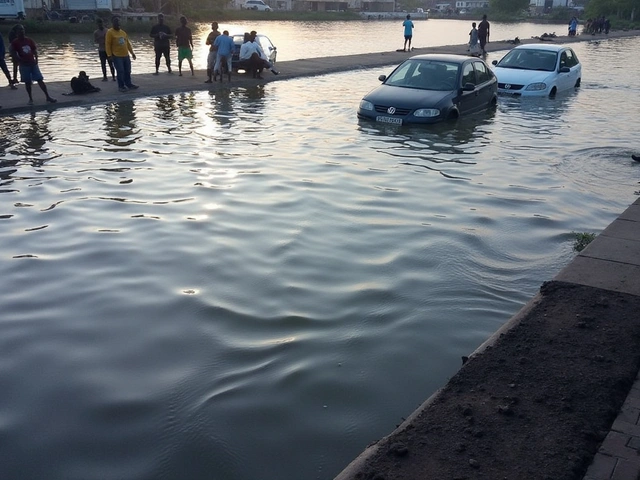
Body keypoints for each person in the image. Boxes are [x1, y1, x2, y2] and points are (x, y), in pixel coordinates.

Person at [10, 25, 56, 105]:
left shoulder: (29, 40)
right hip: (24, 65)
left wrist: (36, 59)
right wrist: (19, 60)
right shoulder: (15, 42)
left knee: (40, 79)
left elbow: (34, 50)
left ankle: (48, 96)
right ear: (17, 32)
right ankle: (30, 99)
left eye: (23, 30)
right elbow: (12, 52)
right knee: (28, 82)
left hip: (32, 63)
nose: (22, 31)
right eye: (20, 30)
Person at [105, 16, 138, 93]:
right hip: (116, 56)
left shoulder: (123, 32)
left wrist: (132, 53)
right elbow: (108, 44)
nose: (118, 23)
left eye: (118, 22)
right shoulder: (110, 32)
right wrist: (109, 55)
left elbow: (128, 44)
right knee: (120, 71)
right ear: (113, 23)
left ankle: (129, 84)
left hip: (126, 55)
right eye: (116, 22)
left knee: (128, 70)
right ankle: (121, 86)